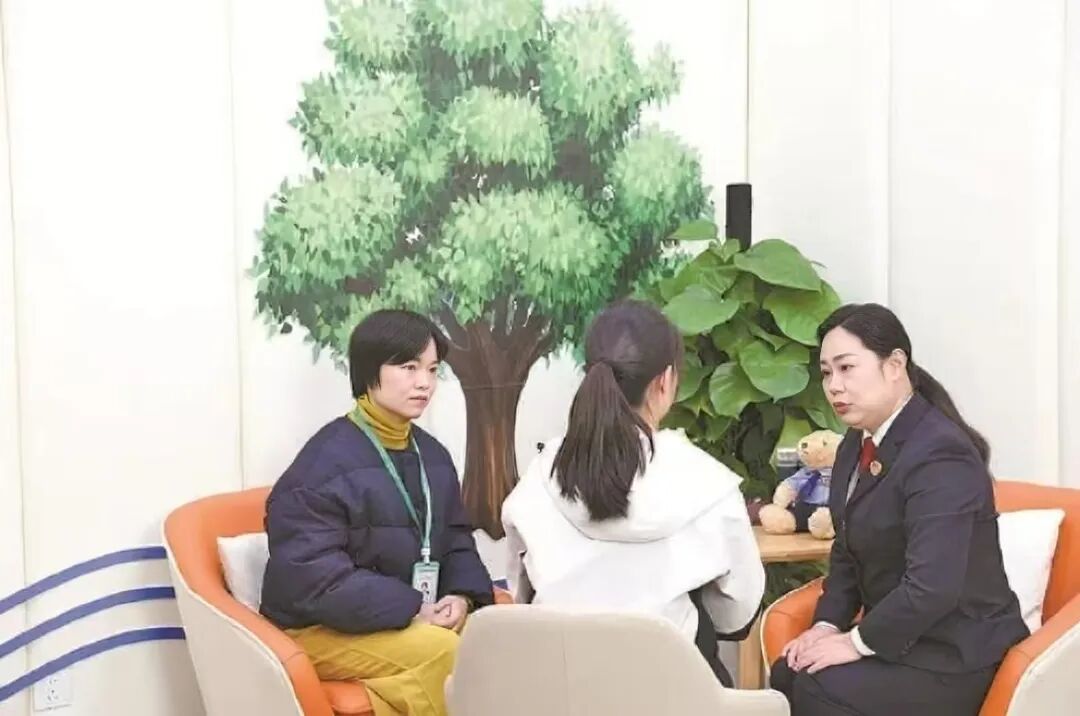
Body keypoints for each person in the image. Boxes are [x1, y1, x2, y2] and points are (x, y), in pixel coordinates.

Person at [770, 303, 1028, 715]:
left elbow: (932, 586)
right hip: (904, 643)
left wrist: (855, 643)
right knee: (788, 673)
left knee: (820, 689)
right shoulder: (856, 443)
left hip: (956, 655)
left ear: (894, 365)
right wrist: (825, 626)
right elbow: (847, 550)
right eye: (826, 372)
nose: (834, 386)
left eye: (846, 368)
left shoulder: (941, 453)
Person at [501, 300, 765, 685]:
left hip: (559, 691)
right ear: (666, 381)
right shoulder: (706, 481)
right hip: (673, 693)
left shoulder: (541, 475)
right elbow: (736, 614)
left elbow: (519, 590)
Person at [260, 309, 494, 716]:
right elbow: (315, 579)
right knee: (443, 650)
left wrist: (461, 597)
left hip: (396, 616)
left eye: (432, 369)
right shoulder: (322, 464)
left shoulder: (433, 455)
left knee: (498, 640)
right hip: (315, 627)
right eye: (408, 367)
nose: (424, 383)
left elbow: (456, 538)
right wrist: (412, 608)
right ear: (370, 371)